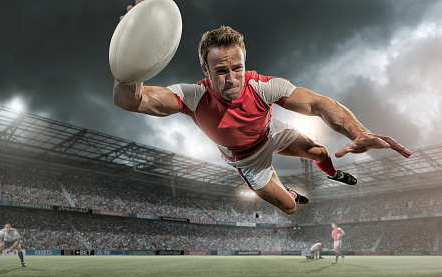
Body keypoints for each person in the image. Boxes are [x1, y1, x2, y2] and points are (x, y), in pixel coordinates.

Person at [114, 2, 412, 215]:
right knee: (291, 208)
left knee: (320, 152)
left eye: (237, 68)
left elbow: (320, 104)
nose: (231, 79)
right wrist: (132, 54)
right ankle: (290, 191)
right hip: (248, 160)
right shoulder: (192, 97)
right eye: (220, 71)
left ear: (245, 63)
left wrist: (358, 132)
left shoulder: (263, 86)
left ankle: (333, 175)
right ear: (205, 69)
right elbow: (130, 100)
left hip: (270, 133)